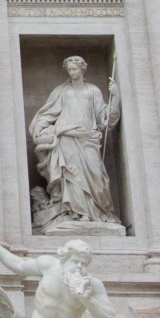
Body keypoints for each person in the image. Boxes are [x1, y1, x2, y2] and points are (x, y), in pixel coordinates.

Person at [29, 56, 120, 225]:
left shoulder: (93, 91)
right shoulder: (62, 91)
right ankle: (78, 213)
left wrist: (115, 98)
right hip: (66, 138)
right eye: (69, 69)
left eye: (74, 69)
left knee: (96, 176)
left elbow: (105, 120)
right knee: (72, 176)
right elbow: (48, 113)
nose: (72, 72)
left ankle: (98, 212)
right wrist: (40, 128)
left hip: (88, 138)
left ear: (82, 69)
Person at [0, 238, 117, 318]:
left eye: (84, 264)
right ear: (64, 259)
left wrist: (87, 300)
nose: (79, 267)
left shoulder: (92, 285)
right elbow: (19, 265)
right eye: (75, 261)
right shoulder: (48, 266)